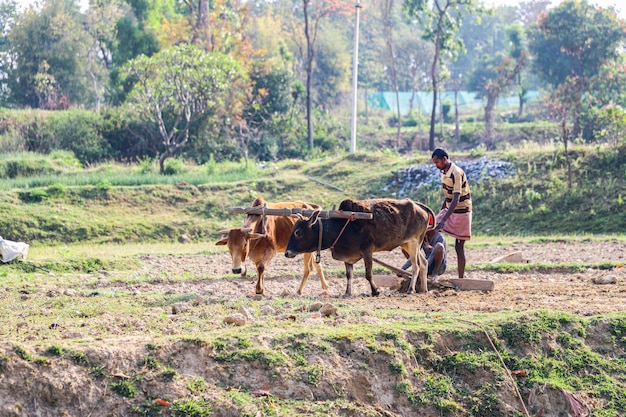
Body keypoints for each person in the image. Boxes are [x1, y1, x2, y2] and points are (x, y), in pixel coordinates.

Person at [431, 147, 472, 279]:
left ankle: (461, 278)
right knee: (429, 230)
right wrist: (440, 213)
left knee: (459, 247)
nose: (436, 165)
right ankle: (432, 269)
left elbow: (455, 198)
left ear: (444, 159)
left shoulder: (456, 173)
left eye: (437, 162)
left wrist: (443, 220)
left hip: (462, 211)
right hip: (449, 208)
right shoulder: (443, 172)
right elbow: (447, 195)